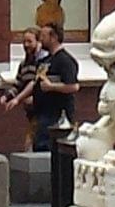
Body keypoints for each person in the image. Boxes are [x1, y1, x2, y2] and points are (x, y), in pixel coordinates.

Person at [5, 18, 82, 152]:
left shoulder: (65, 61)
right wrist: (17, 98)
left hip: (57, 117)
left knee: (49, 150)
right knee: (39, 147)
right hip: (42, 114)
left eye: (44, 36)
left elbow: (74, 86)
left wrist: (52, 87)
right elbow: (34, 82)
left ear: (54, 37)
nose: (41, 39)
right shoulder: (46, 61)